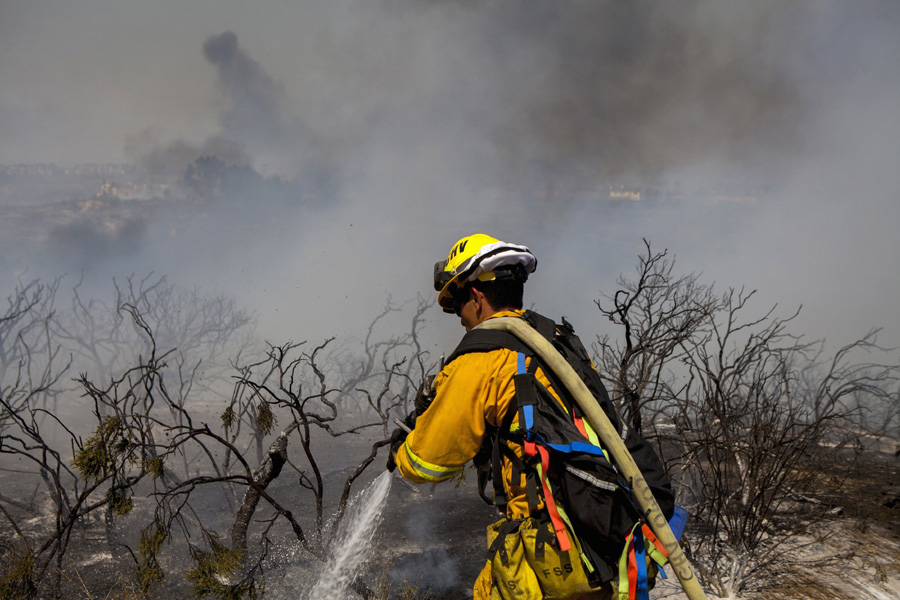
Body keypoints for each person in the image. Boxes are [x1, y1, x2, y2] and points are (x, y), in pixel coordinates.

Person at [387, 234, 613, 600]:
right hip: (600, 534)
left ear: (476, 298)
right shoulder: (557, 341)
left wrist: (403, 446)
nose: (459, 320)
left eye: (456, 304)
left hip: (547, 549)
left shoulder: (480, 359)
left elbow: (425, 463)